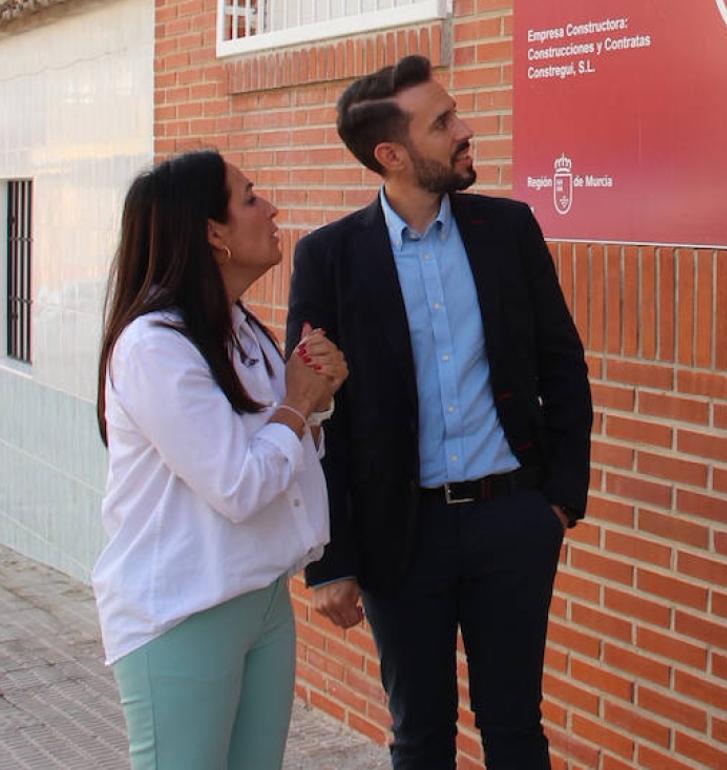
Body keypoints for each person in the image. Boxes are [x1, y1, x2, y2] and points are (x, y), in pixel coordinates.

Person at [285, 54, 592, 769]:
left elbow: (562, 365)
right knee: (421, 734)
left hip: (512, 519)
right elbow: (314, 415)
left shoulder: (509, 231)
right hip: (402, 533)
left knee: (515, 726)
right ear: (390, 154)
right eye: (444, 123)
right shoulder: (327, 258)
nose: (466, 130)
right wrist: (330, 559)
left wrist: (558, 503)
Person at [93, 149, 347, 769]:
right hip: (182, 609)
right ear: (213, 232)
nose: (271, 208)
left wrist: (313, 408)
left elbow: (278, 453)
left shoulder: (239, 329)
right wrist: (298, 402)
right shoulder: (154, 347)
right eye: (251, 196)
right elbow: (236, 482)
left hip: (258, 596)